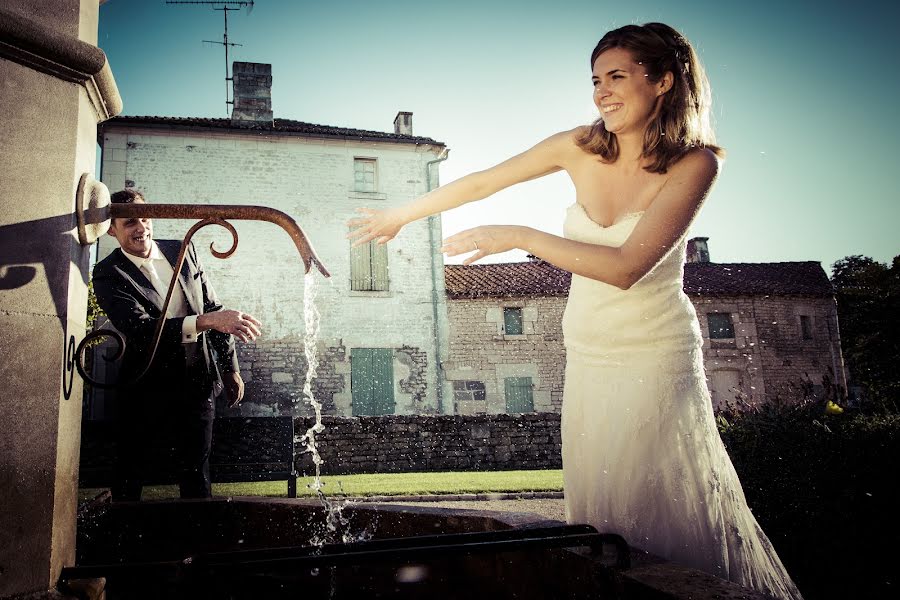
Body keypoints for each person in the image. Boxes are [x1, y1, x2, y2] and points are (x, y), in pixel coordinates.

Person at [348, 22, 802, 599]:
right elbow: (486, 180)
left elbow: (626, 267)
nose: (602, 91)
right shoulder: (578, 145)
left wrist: (519, 235)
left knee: (658, 498)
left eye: (617, 76)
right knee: (602, 506)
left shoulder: (697, 164)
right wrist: (402, 214)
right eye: (595, 80)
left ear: (663, 81)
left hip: (654, 351)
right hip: (587, 349)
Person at [93, 189, 262, 501]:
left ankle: (198, 546)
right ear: (112, 229)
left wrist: (229, 370)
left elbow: (213, 310)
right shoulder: (107, 272)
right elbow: (141, 328)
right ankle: (125, 545)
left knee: (196, 475)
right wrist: (206, 322)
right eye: (130, 223)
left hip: (197, 385)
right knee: (130, 476)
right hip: (144, 388)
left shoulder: (183, 250)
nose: (141, 227)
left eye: (145, 218)